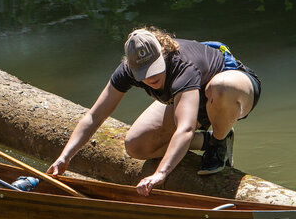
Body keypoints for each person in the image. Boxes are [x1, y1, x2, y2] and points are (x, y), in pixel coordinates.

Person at [47, 27, 261, 196]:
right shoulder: (127, 71)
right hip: (191, 100)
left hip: (233, 91)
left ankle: (219, 140)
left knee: (221, 88)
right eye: (142, 72)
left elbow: (185, 128)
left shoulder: (183, 66)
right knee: (137, 146)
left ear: (162, 53)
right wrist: (65, 157)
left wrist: (161, 174)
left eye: (154, 68)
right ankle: (206, 141)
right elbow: (95, 115)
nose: (150, 77)